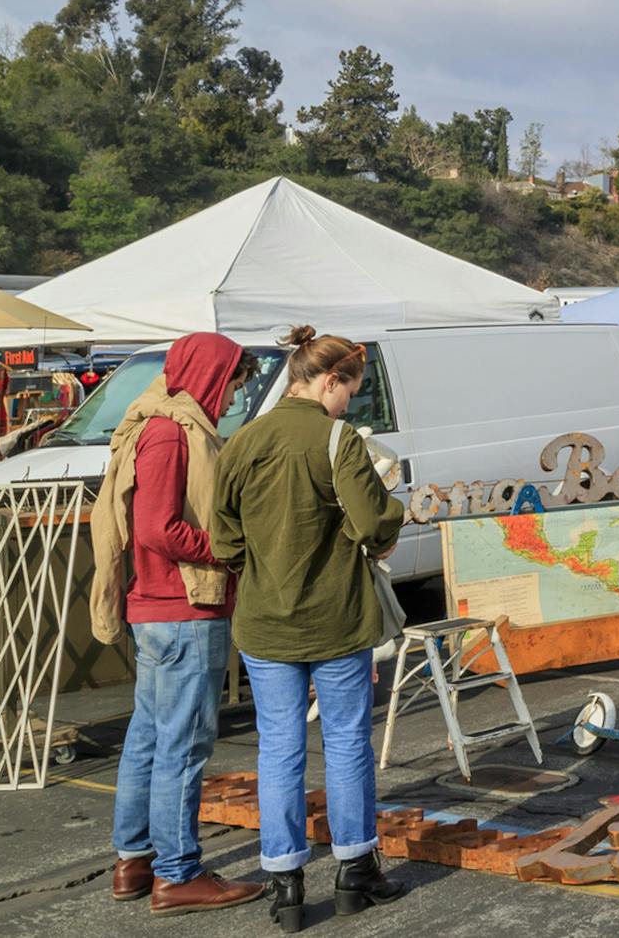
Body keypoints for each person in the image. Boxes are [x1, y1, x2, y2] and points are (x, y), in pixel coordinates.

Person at [211, 328, 409, 931]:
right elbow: (376, 521)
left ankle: (285, 884)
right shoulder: (336, 438)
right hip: (337, 617)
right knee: (347, 742)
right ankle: (355, 871)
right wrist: (382, 523)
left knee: (278, 749)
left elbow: (223, 540)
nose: (351, 401)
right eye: (351, 389)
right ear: (329, 381)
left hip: (265, 623)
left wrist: (263, 566)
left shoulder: (242, 441)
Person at [92, 334, 263, 916]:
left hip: (161, 611)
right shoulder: (171, 433)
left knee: (148, 738)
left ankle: (134, 860)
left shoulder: (157, 423)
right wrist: (227, 549)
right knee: (182, 748)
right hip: (183, 608)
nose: (236, 393)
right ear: (212, 375)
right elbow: (158, 529)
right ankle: (177, 874)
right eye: (235, 382)